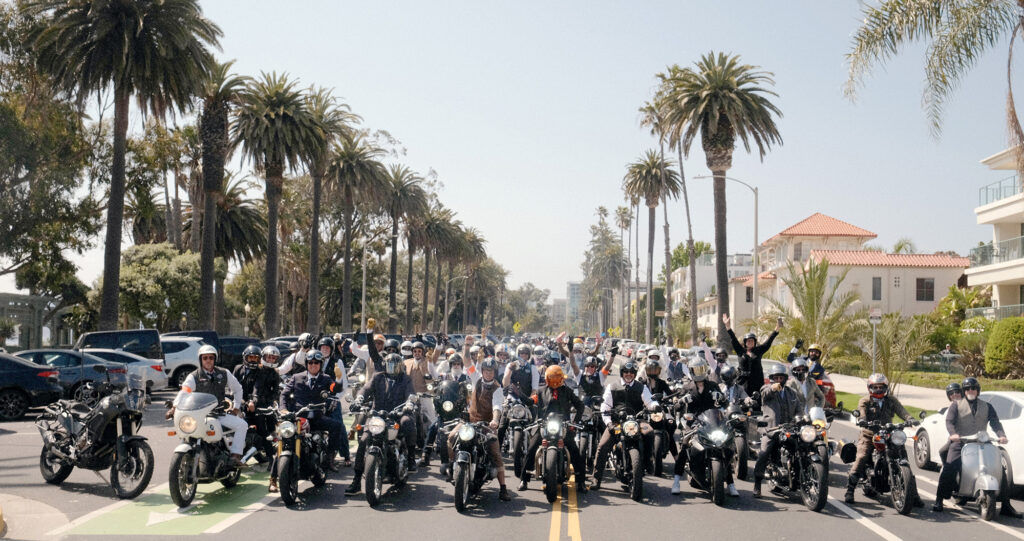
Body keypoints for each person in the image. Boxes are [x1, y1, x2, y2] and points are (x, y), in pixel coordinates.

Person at [933, 378, 1021, 517]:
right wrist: (953, 434)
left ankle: (1006, 505)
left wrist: (1001, 435)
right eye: (967, 389)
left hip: (981, 441)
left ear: (978, 390)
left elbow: (995, 422)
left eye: (973, 388)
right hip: (961, 441)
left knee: (1000, 468)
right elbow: (949, 421)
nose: (970, 391)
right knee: (950, 465)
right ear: (964, 391)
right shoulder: (956, 405)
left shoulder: (987, 406)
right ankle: (939, 499)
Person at [346, 344, 417, 495]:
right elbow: (366, 389)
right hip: (377, 415)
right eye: (389, 365)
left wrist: (409, 404)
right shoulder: (378, 377)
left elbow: (410, 393)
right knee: (363, 441)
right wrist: (359, 399)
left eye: (395, 366)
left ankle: (411, 457)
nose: (392, 368)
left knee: (408, 422)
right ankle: (356, 480)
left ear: (401, 367)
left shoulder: (405, 379)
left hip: (396, 414)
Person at [165, 345, 248, 467]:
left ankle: (235, 455)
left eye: (211, 358)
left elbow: (238, 389)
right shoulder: (194, 376)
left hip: (218, 414)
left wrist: (236, 407)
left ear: (215, 359)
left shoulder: (224, 373)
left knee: (242, 425)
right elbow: (184, 392)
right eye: (205, 358)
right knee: (187, 433)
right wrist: (174, 408)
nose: (208, 360)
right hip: (199, 416)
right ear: (200, 360)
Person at [447, 359, 513, 501]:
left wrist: (495, 420)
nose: (488, 373)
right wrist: (466, 348)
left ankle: (503, 488)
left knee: (495, 451)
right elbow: (467, 363)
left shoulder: (497, 388)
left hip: (486, 424)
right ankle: (452, 466)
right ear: (482, 371)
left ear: (494, 372)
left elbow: (497, 407)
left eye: (491, 371)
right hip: (469, 421)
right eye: (486, 370)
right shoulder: (476, 377)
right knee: (451, 437)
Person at [844, 373, 914, 504]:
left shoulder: (891, 400)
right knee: (862, 457)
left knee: (903, 455)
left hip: (888, 434)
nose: (878, 389)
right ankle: (850, 490)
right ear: (869, 388)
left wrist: (910, 419)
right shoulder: (865, 401)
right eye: (875, 387)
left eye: (881, 387)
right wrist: (863, 420)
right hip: (869, 434)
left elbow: (901, 411)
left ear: (886, 387)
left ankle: (913, 494)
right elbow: (861, 412)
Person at [278, 351, 345, 484]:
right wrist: (283, 409)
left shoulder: (326, 378)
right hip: (299, 418)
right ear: (307, 364)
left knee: (337, 426)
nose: (313, 365)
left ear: (320, 364)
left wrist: (338, 379)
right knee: (282, 439)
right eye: (310, 363)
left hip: (317, 418)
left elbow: (334, 389)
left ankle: (330, 458)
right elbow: (284, 394)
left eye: (316, 363)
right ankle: (274, 477)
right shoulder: (296, 377)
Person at [673, 358, 735, 495]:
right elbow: (676, 406)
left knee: (724, 446)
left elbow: (725, 404)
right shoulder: (687, 387)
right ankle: (676, 480)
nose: (699, 373)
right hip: (694, 422)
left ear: (706, 369)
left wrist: (721, 397)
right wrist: (682, 401)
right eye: (696, 370)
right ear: (691, 371)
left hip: (711, 421)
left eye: (701, 369)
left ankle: (731, 484)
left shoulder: (713, 385)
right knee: (685, 445)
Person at [591, 361, 657, 490]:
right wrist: (609, 423)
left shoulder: (641, 387)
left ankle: (648, 461)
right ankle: (596, 478)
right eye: (626, 372)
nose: (628, 374)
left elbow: (649, 401)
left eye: (631, 372)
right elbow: (605, 405)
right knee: (602, 446)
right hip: (617, 423)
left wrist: (655, 406)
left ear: (635, 374)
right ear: (622, 373)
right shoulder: (612, 386)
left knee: (649, 432)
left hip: (637, 421)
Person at [520, 366, 587, 491]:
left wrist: (574, 422)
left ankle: (581, 480)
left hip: (563, 426)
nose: (555, 380)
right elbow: (530, 402)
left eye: (557, 377)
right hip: (544, 426)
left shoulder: (567, 391)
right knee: (531, 448)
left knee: (574, 450)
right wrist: (519, 393)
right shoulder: (540, 391)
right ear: (547, 378)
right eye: (552, 377)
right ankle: (524, 479)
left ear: (561, 378)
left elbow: (580, 405)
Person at [752, 363, 801, 497]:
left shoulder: (791, 393)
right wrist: (773, 388)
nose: (779, 380)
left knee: (801, 447)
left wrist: (801, 419)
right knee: (763, 453)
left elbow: (799, 409)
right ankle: (757, 484)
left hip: (789, 429)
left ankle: (799, 478)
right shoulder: (766, 389)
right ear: (772, 378)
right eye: (776, 378)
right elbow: (765, 394)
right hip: (771, 429)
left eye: (781, 378)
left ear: (785, 378)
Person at [724, 313, 781, 398]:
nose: (750, 342)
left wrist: (777, 328)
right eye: (748, 341)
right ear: (745, 342)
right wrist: (727, 326)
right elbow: (733, 338)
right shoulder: (740, 351)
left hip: (757, 384)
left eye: (752, 340)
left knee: (757, 403)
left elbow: (769, 341)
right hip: (742, 384)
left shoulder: (759, 351)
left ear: (755, 342)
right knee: (741, 403)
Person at [318, 336, 351, 467]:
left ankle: (345, 455)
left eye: (327, 348)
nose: (325, 350)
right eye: (322, 348)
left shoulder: (338, 361)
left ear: (332, 349)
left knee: (339, 426)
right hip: (317, 400)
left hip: (332, 399)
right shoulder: (314, 360)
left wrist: (336, 399)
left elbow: (344, 384)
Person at [936, 382, 963, 466]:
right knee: (943, 451)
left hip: (969, 439)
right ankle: (947, 468)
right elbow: (949, 422)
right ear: (949, 396)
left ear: (961, 392)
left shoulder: (966, 405)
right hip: (957, 438)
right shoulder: (952, 407)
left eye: (957, 392)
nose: (954, 394)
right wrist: (953, 434)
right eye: (951, 393)